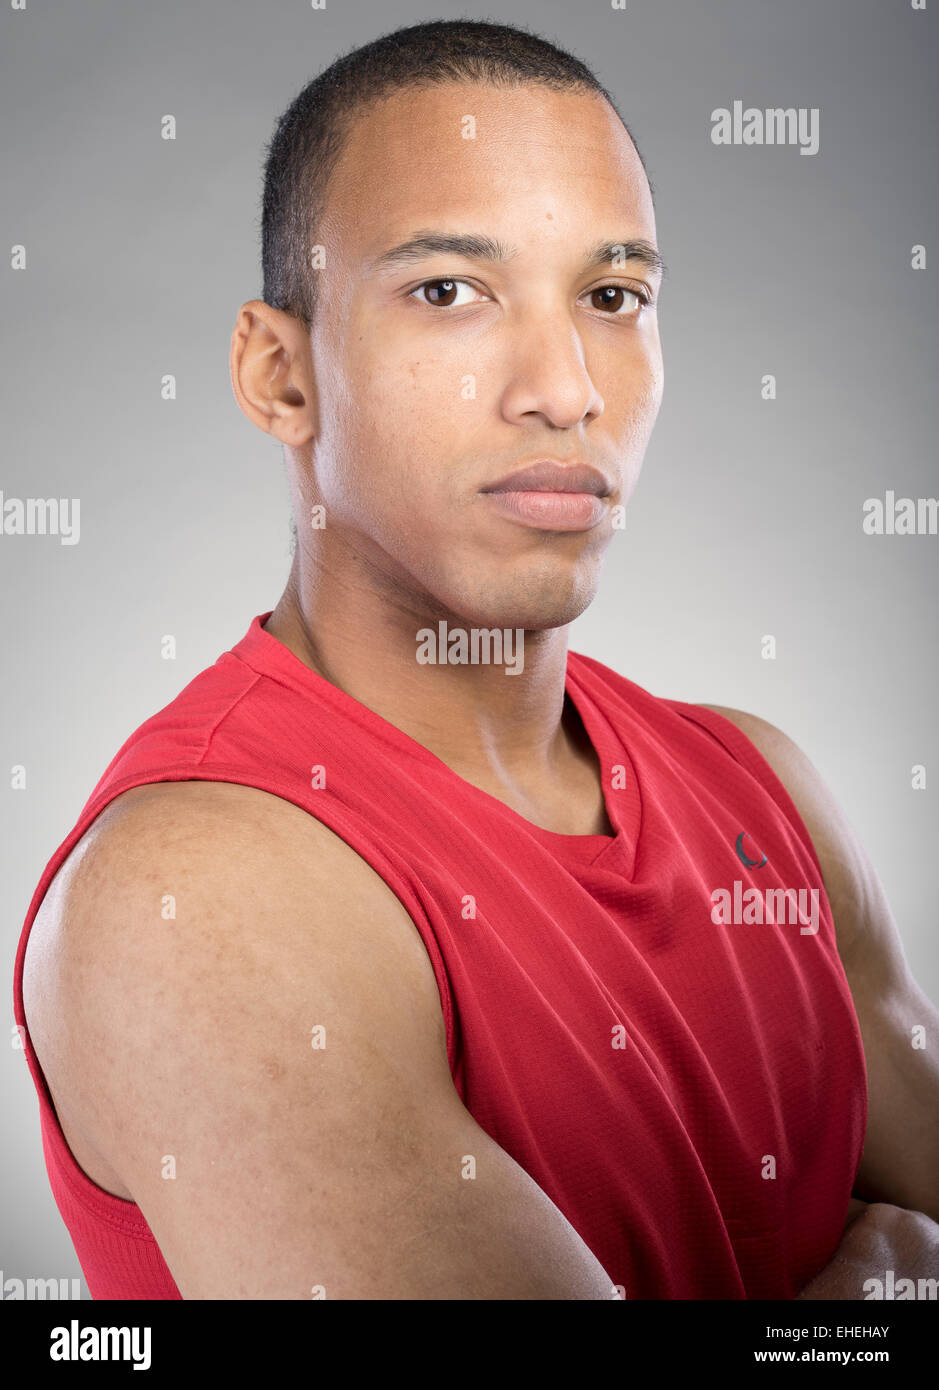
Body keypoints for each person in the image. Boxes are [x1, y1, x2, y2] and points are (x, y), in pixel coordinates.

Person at [14, 18, 939, 1300]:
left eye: (612, 297)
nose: (565, 390)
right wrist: (888, 1275)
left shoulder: (761, 784)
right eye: (449, 291)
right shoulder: (199, 892)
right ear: (282, 377)